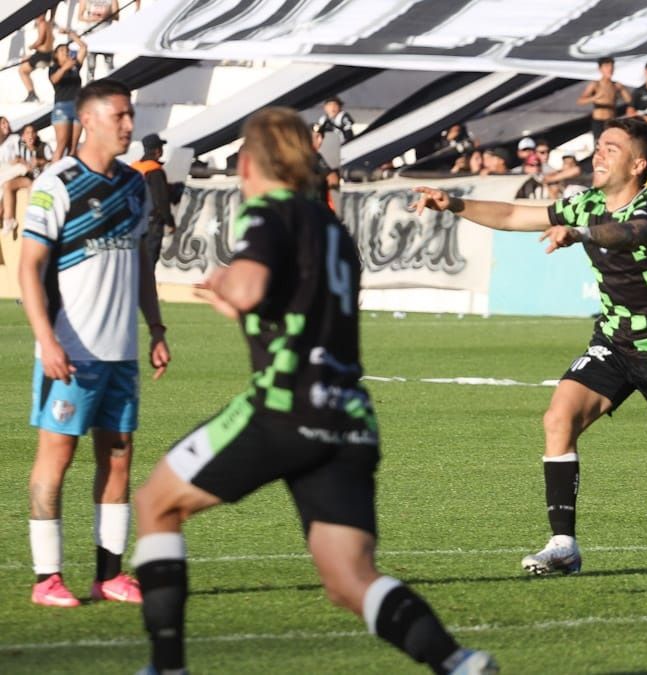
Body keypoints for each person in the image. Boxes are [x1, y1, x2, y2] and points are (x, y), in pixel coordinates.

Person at [129, 107, 496, 675]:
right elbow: (296, 306)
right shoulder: (332, 229)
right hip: (348, 416)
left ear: (249, 163)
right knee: (349, 579)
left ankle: (166, 666)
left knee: (156, 503)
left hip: (285, 406)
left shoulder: (270, 212)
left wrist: (229, 282)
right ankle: (459, 662)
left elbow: (251, 285)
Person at [409, 117, 647, 576]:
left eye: (611, 148)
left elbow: (629, 233)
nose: (598, 154)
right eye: (599, 146)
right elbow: (516, 216)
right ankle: (563, 545)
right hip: (615, 341)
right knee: (559, 417)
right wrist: (455, 203)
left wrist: (581, 233)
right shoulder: (586, 202)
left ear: (639, 164)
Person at [18, 78, 171, 608]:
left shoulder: (133, 186)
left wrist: (155, 328)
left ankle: (109, 574)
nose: (130, 125)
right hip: (70, 354)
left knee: (120, 460)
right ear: (89, 120)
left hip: (120, 354)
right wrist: (46, 339)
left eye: (131, 115)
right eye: (120, 116)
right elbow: (29, 268)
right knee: (55, 459)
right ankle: (46, 579)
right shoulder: (55, 184)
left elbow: (139, 266)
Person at [129, 134, 176, 265]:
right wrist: (169, 221)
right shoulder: (155, 171)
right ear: (157, 150)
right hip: (152, 222)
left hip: (135, 222)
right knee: (149, 261)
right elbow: (162, 199)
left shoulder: (134, 168)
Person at [3, 124, 54, 232]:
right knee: (7, 185)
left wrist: (40, 162)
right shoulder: (21, 148)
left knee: (32, 187)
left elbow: (54, 162)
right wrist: (20, 162)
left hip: (40, 179)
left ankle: (33, 219)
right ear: (23, 136)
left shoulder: (44, 147)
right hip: (28, 178)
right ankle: (9, 219)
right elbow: (17, 160)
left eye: (32, 132)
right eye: (27, 133)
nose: (30, 136)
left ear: (36, 134)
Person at [49, 30, 87, 162]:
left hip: (77, 106)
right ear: (56, 55)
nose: (65, 52)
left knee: (73, 147)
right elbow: (54, 79)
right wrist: (65, 67)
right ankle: (53, 175)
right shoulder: (54, 68)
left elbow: (83, 48)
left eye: (66, 49)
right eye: (61, 50)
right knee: (62, 145)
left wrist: (72, 35)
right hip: (62, 107)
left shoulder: (74, 66)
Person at [577, 57, 633, 141]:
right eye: (607, 66)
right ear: (600, 69)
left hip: (611, 120)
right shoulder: (595, 84)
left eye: (611, 67)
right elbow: (580, 101)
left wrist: (622, 89)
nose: (610, 69)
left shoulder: (615, 85)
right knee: (599, 144)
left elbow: (629, 101)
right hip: (598, 120)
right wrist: (594, 98)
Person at [76, 0, 122, 80]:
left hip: (106, 37)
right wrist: (93, 19)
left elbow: (117, 16)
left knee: (109, 66)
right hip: (91, 37)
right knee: (91, 67)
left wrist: (108, 15)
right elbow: (80, 16)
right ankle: (89, 88)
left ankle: (112, 87)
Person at [18, 11, 56, 103]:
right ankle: (32, 94)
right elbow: (52, 39)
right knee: (25, 61)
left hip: (41, 55)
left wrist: (32, 46)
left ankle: (32, 94)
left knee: (22, 70)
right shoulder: (49, 24)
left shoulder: (42, 24)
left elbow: (40, 40)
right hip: (47, 54)